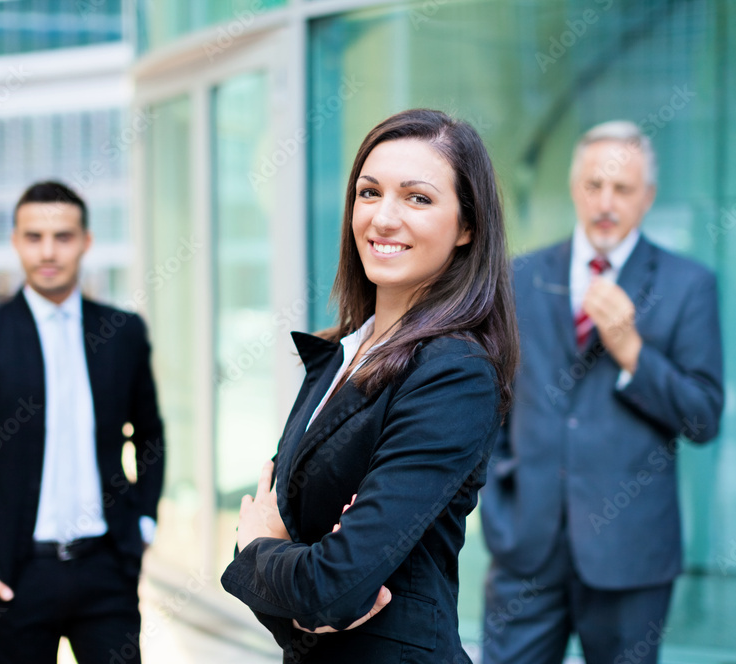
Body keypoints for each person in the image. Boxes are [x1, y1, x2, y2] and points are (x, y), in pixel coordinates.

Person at [220, 108, 519, 663]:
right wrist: (302, 603)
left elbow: (331, 581)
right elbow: (303, 569)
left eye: (418, 198)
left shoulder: (454, 373)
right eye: (369, 192)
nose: (383, 218)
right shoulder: (342, 353)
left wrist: (263, 551)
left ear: (467, 227)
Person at [479, 120, 725, 664]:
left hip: (630, 556)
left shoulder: (688, 285)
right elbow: (492, 404)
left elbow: (705, 418)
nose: (605, 202)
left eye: (622, 189)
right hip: (525, 550)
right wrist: (498, 503)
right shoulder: (516, 279)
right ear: (574, 188)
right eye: (594, 186)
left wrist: (632, 351)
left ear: (649, 197)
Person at [0, 181, 164, 664]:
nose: (48, 251)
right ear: (15, 241)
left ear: (86, 242)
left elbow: (151, 434)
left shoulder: (122, 333)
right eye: (34, 236)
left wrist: (143, 524)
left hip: (107, 571)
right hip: (10, 577)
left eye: (63, 236)